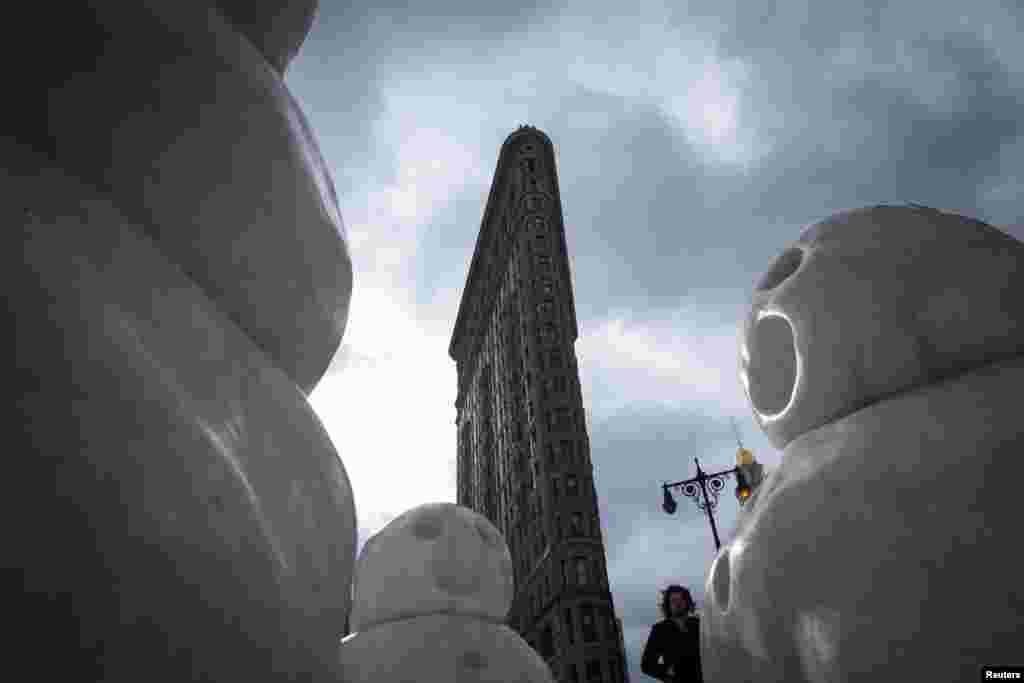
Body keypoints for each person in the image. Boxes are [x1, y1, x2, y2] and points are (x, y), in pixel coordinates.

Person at [640, 584, 703, 683]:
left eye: (681, 600)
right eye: (673, 601)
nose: (678, 604)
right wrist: (667, 671)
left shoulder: (699, 625)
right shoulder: (660, 630)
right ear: (668, 605)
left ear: (687, 602)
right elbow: (646, 664)